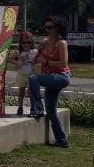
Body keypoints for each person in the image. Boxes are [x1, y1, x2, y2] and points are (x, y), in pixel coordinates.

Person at [28, 19, 71, 147]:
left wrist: (46, 62)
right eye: (46, 27)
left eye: (50, 27)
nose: (47, 30)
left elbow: (63, 63)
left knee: (34, 78)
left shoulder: (61, 43)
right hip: (49, 77)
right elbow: (36, 59)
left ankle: (37, 109)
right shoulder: (44, 43)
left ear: (57, 29)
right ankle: (61, 141)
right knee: (51, 111)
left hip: (61, 76)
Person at [8, 31, 37, 116]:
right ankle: (20, 107)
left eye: (29, 42)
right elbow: (8, 59)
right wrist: (16, 63)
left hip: (31, 75)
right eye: (24, 42)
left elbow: (40, 58)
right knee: (21, 92)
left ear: (32, 43)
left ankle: (33, 108)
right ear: (21, 43)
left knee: (31, 91)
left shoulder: (35, 51)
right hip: (21, 74)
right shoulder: (19, 52)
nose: (26, 44)